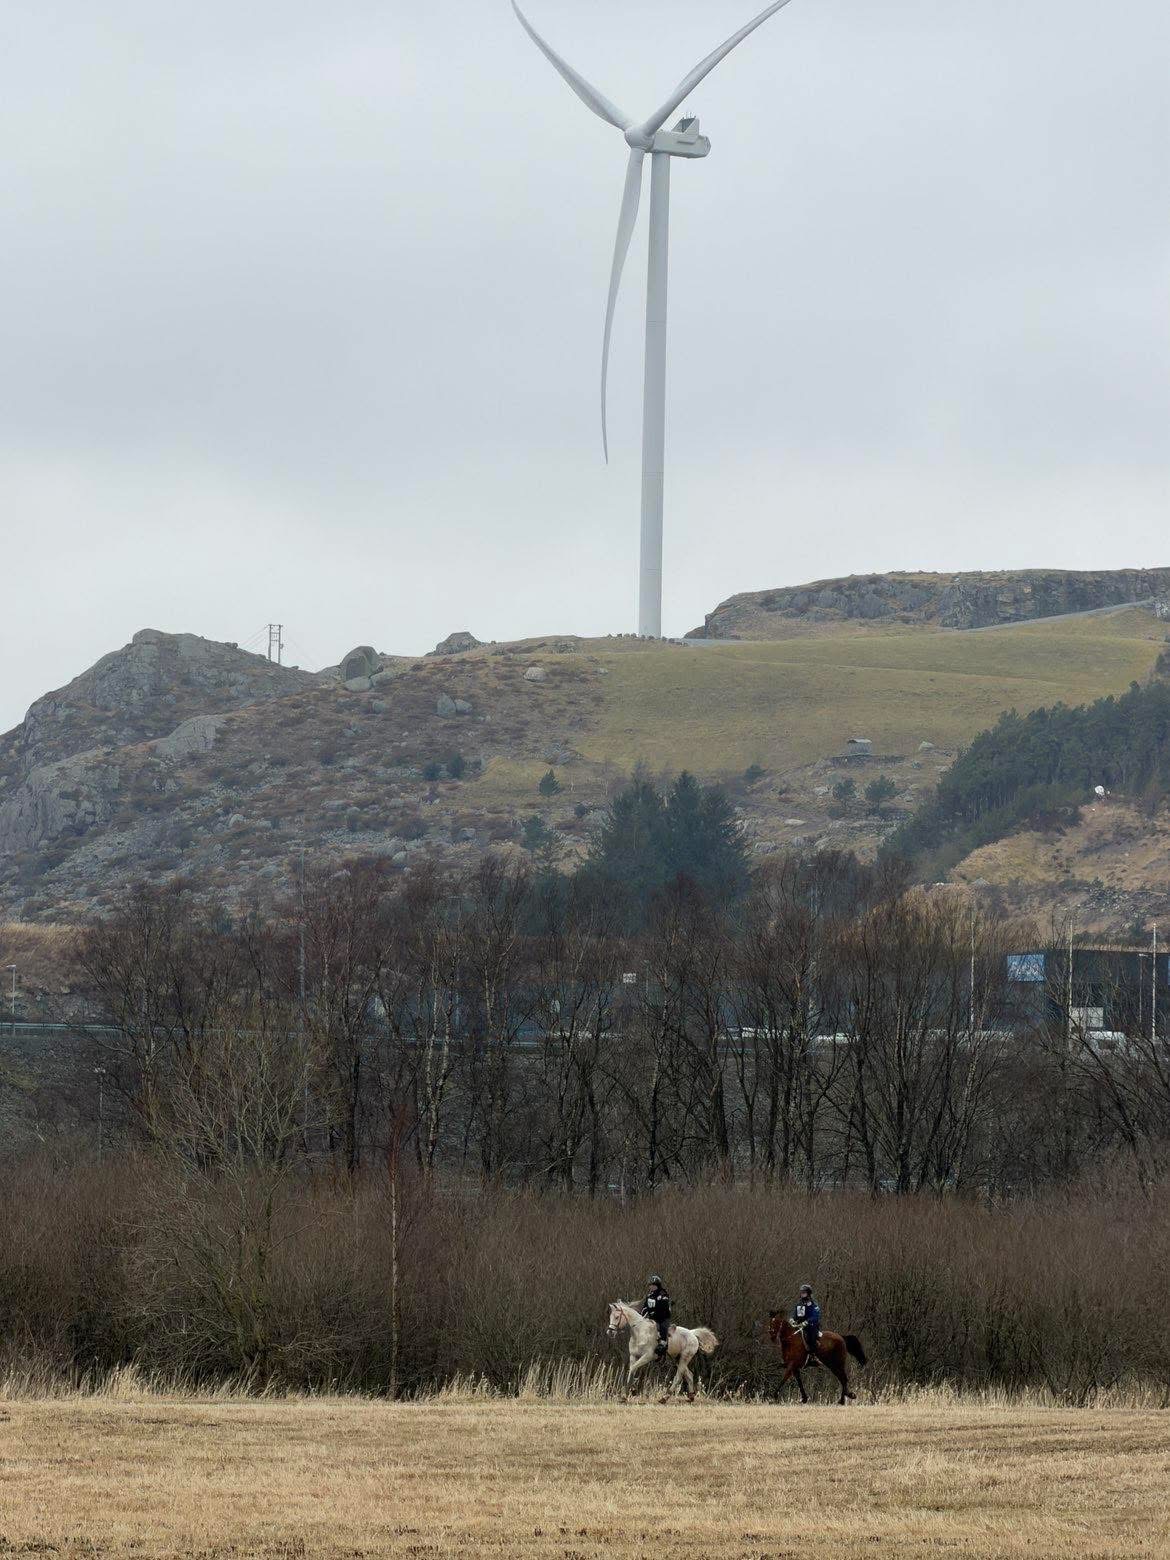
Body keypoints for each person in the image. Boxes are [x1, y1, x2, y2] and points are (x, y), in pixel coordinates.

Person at [641, 1274, 672, 1356]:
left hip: (663, 1317)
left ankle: (663, 1342)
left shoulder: (663, 1294)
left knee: (662, 1326)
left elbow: (663, 1307)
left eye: (652, 1285)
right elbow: (645, 1306)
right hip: (652, 1318)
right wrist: (642, 1314)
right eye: (650, 1285)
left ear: (657, 1286)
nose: (650, 1287)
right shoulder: (649, 1295)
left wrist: (654, 1312)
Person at [792, 1283, 821, 1363]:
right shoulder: (799, 1304)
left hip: (811, 1326)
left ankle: (813, 1356)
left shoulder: (814, 1305)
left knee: (810, 1337)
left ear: (808, 1293)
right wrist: (792, 1319)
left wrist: (807, 1321)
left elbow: (815, 1316)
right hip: (799, 1325)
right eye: (801, 1292)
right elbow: (795, 1314)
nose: (802, 1294)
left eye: (803, 1292)